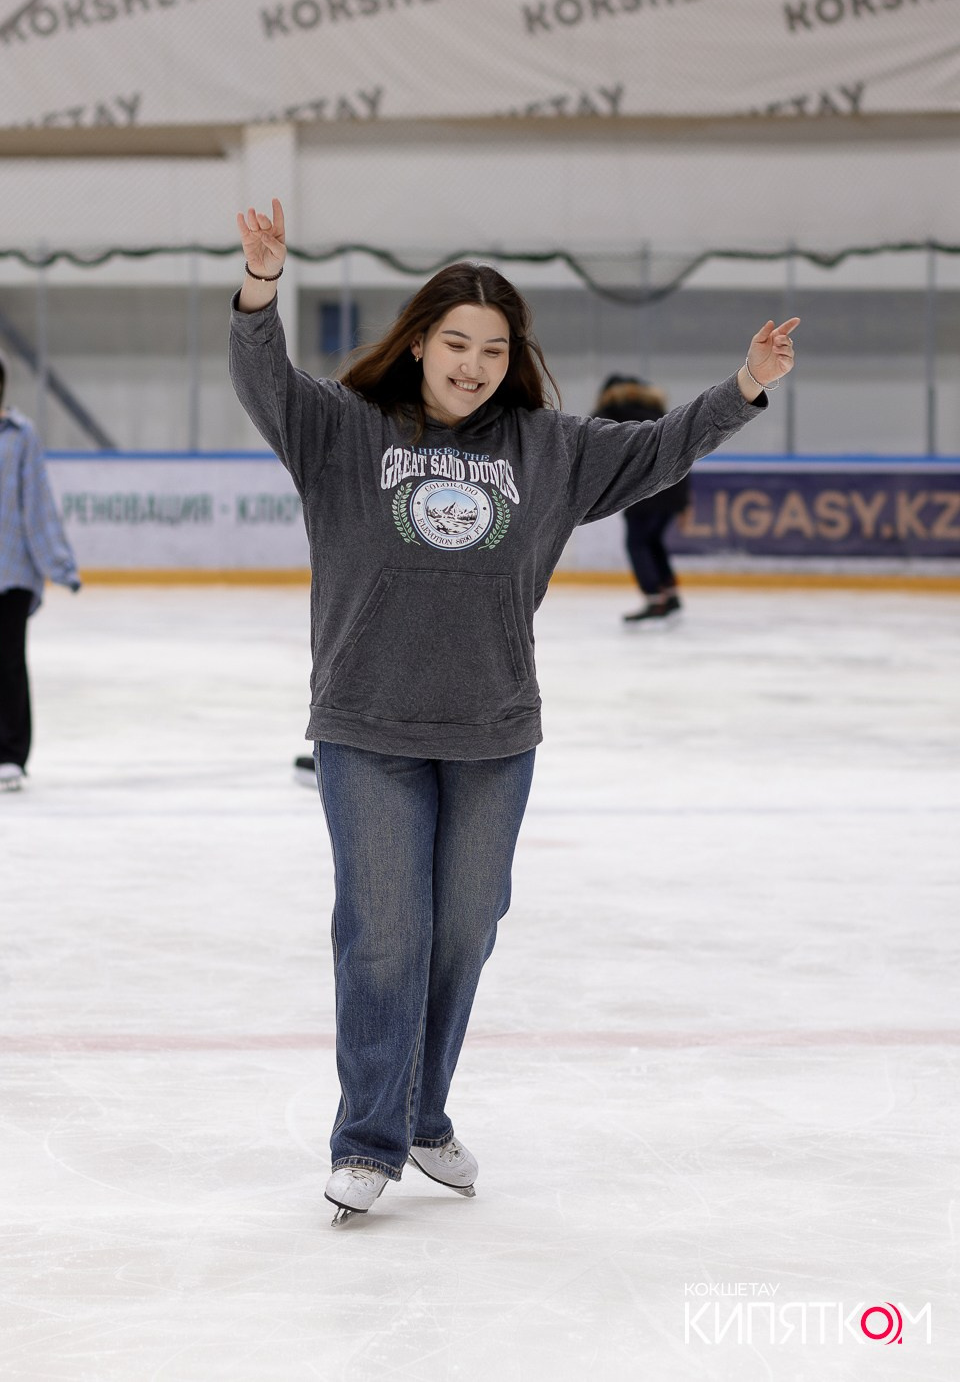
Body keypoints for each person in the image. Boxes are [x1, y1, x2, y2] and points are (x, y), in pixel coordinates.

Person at [229, 199, 799, 1225]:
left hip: (493, 735)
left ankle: (423, 1115)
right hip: (367, 728)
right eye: (457, 343)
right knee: (384, 938)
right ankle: (368, 1140)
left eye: (494, 349)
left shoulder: (550, 450)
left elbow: (659, 448)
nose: (474, 364)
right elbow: (262, 378)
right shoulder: (343, 430)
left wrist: (744, 387)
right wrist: (261, 288)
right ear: (418, 343)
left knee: (462, 934)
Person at [0, 343, 80, 791]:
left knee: (12, 658)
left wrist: (59, 563)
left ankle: (10, 756)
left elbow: (37, 502)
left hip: (13, 562)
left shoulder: (21, 434)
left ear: (2, 386)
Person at [594, 374, 691, 624]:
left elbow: (594, 446)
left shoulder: (612, 412)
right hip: (672, 486)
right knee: (652, 541)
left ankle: (655, 598)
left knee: (637, 543)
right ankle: (669, 593)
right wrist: (683, 500)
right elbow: (683, 450)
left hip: (644, 489)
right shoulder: (657, 411)